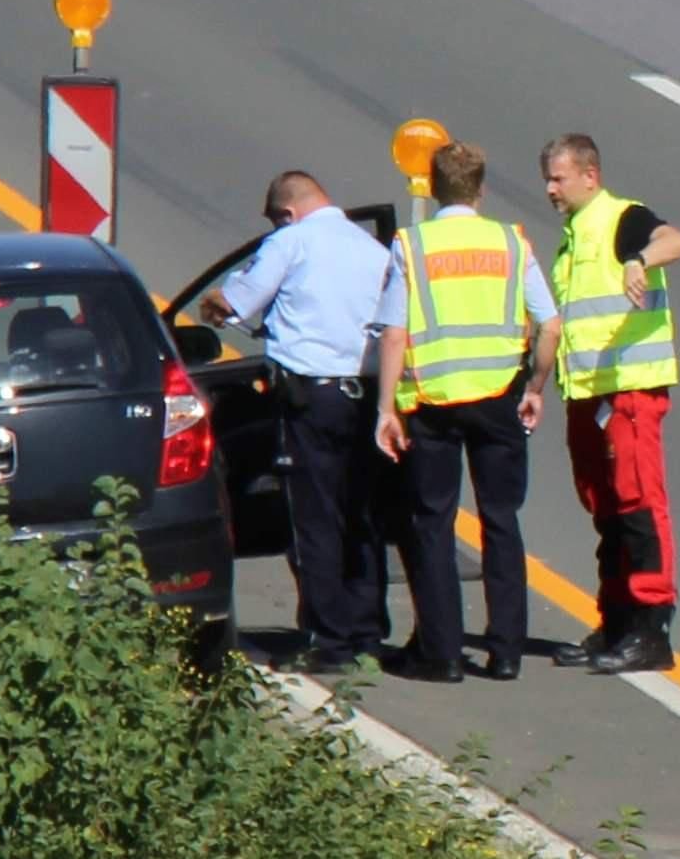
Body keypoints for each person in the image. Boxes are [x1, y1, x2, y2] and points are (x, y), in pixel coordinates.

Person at [374, 137, 554, 682]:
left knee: (432, 524)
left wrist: (386, 407)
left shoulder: (412, 246)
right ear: (482, 188)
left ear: (431, 186)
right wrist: (536, 387)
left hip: (432, 400)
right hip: (499, 395)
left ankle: (443, 652)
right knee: (501, 521)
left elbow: (394, 333)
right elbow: (549, 325)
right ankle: (505, 653)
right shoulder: (511, 243)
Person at [210, 171, 403, 674]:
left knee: (314, 518)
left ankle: (328, 640)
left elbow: (234, 303)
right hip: (366, 397)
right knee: (362, 513)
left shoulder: (290, 242)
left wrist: (214, 307)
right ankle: (368, 631)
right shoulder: (374, 250)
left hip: (312, 400)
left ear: (287, 214)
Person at [534, 131, 680, 671]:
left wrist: (638, 261)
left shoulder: (622, 218)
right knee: (604, 505)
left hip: (629, 386)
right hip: (588, 390)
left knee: (638, 501)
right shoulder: (573, 238)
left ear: (589, 175)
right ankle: (617, 623)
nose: (549, 188)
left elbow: (676, 240)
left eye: (558, 177)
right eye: (547, 178)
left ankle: (651, 629)